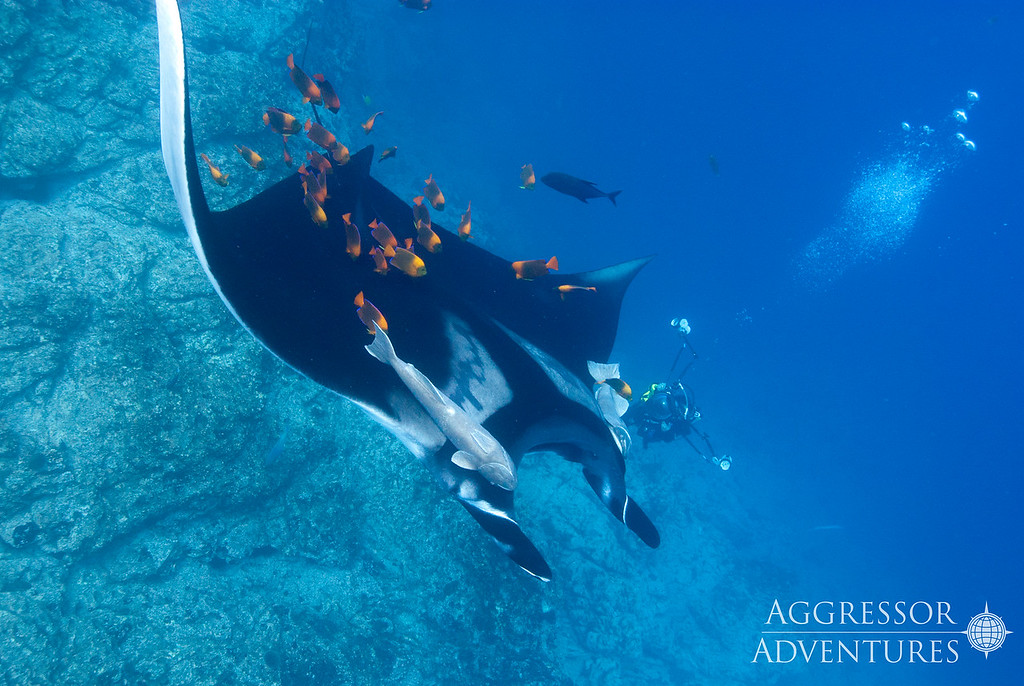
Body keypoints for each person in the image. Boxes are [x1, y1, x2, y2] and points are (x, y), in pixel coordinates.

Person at [625, 318, 732, 471]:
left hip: (657, 426)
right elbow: (646, 397)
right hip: (644, 413)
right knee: (632, 415)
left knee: (650, 431)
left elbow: (667, 437)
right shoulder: (654, 398)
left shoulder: (677, 419)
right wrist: (656, 389)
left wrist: (666, 430)